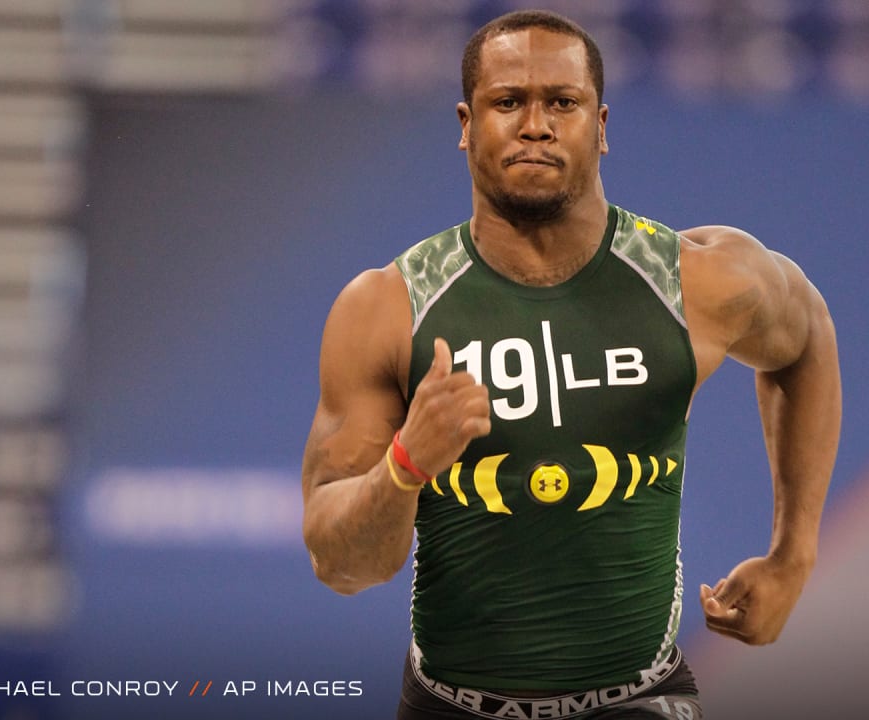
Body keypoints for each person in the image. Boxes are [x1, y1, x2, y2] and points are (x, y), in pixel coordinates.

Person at [301, 9, 841, 719]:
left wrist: (792, 556)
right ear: (466, 124)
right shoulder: (387, 309)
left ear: (602, 125)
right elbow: (341, 564)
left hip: (639, 700)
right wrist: (405, 464)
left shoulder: (697, 283)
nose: (535, 124)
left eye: (562, 102)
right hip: (449, 703)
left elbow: (806, 340)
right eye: (507, 102)